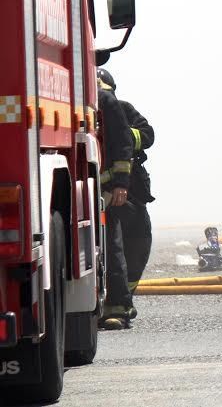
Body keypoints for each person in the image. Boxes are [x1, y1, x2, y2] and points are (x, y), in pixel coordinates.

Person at [97, 69, 156, 321]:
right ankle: (117, 302)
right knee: (113, 245)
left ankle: (125, 296)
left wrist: (123, 132)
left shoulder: (121, 108)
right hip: (106, 193)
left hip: (129, 191)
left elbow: (148, 135)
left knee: (139, 239)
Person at [95, 72, 135, 330]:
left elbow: (122, 144)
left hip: (106, 188)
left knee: (111, 246)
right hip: (92, 188)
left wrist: (120, 184)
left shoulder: (106, 101)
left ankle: (118, 307)